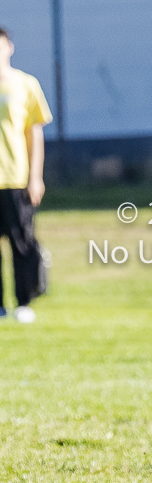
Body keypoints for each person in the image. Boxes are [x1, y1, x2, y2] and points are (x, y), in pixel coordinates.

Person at [0, 27, 51, 323]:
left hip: (15, 177)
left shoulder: (25, 84)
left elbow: (35, 135)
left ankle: (23, 302)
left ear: (10, 48)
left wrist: (36, 176)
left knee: (22, 242)